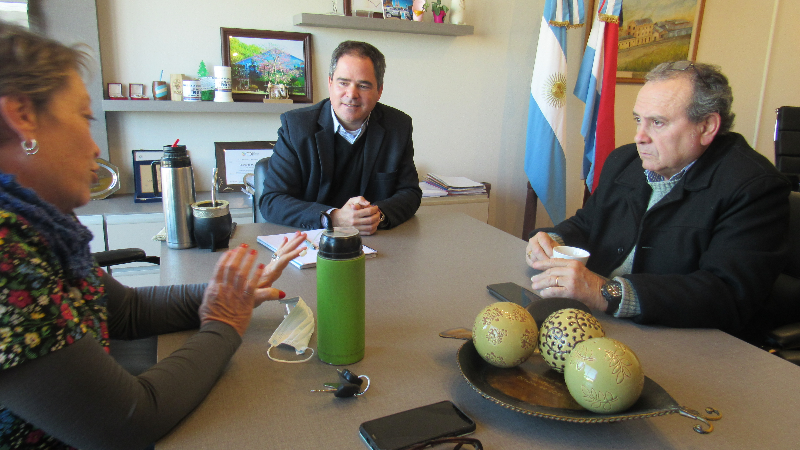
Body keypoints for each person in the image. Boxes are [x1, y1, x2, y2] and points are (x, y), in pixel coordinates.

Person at [0, 23, 306, 449]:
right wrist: (224, 323)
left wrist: (230, 292)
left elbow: (124, 311)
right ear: (22, 116)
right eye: (84, 119)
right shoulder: (7, 253)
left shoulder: (37, 226)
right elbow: (126, 424)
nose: (94, 147)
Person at [526, 61, 790, 336]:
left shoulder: (754, 186)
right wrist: (552, 240)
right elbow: (587, 224)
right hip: (599, 321)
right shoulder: (624, 161)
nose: (640, 137)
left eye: (658, 123)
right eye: (638, 119)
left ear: (707, 126)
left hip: (679, 338)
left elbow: (726, 294)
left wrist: (605, 292)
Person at [260, 40, 422, 235]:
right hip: (312, 242)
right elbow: (272, 201)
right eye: (343, 83)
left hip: (376, 241)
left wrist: (378, 215)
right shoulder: (296, 127)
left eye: (363, 86)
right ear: (330, 83)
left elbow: (410, 193)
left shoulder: (398, 126)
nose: (351, 94)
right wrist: (332, 217)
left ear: (379, 91)